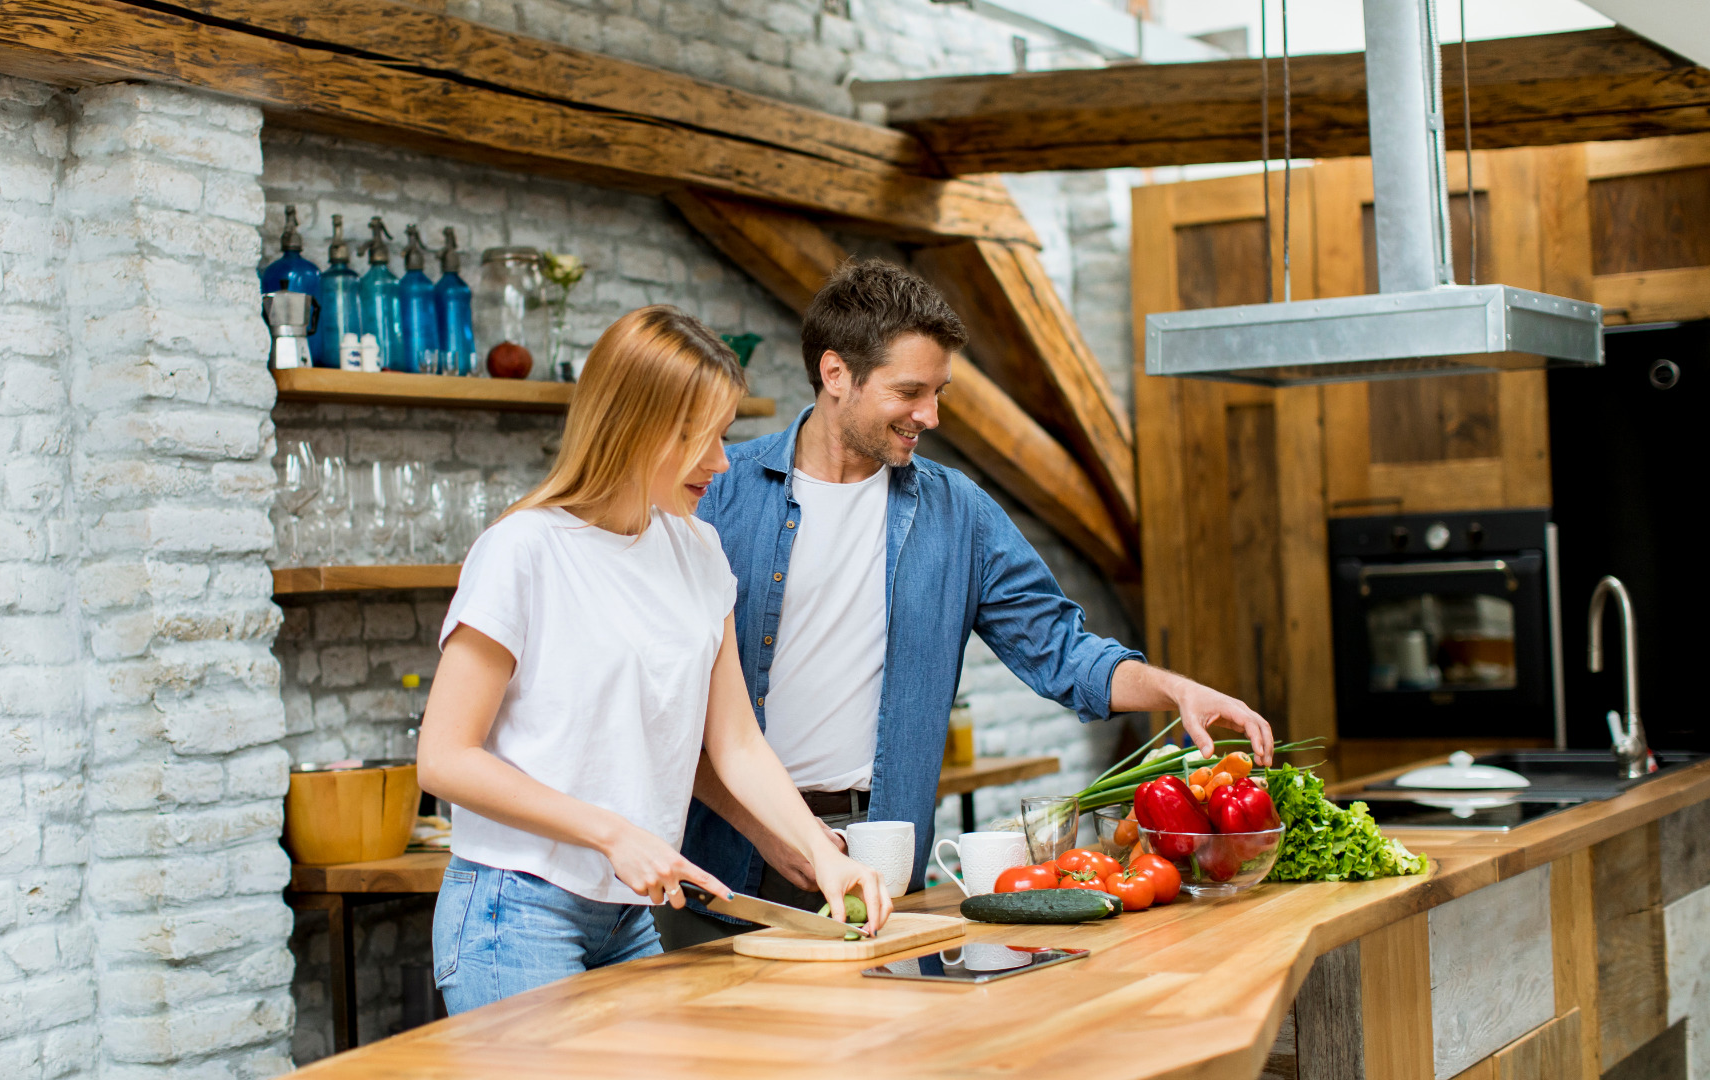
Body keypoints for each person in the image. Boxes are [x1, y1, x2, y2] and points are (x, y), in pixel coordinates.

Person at [661, 260, 1274, 945]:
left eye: (939, 390)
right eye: (910, 391)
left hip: (879, 857)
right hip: (719, 859)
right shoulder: (716, 494)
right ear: (836, 375)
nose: (931, 414)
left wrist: (1172, 688)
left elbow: (1060, 648)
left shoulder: (959, 514)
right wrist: (770, 829)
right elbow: (662, 703)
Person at [417, 305, 890, 1015]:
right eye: (697, 438)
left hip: (626, 912)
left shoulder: (699, 552)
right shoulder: (524, 550)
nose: (722, 462)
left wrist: (822, 852)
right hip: (514, 910)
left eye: (724, 436)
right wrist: (611, 832)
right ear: (632, 426)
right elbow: (444, 758)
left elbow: (734, 743)